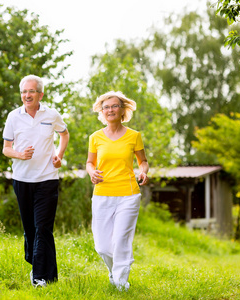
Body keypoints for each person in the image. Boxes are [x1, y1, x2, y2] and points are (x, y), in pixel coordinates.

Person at [2, 74, 69, 287]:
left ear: (40, 94)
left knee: (43, 228)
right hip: (22, 180)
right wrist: (19, 154)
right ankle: (35, 263)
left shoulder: (51, 114)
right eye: (23, 91)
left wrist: (59, 155)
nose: (27, 95)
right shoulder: (14, 116)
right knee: (30, 229)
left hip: (47, 179)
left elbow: (64, 134)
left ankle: (42, 277)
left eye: (31, 91)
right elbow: (6, 149)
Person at [85, 90, 149, 291]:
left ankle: (121, 284)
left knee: (121, 239)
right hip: (102, 194)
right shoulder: (95, 137)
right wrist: (91, 172)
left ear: (123, 110)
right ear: (101, 112)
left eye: (114, 106)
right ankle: (114, 272)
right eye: (106, 107)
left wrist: (144, 172)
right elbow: (89, 163)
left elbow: (143, 161)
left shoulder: (134, 136)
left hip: (128, 194)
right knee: (102, 246)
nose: (110, 110)